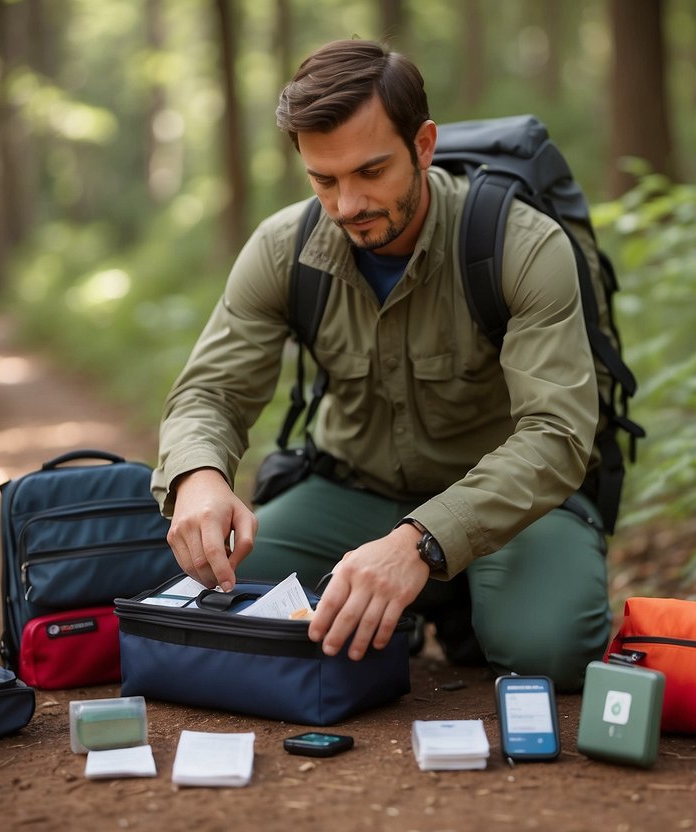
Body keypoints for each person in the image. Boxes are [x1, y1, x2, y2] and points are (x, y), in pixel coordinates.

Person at [151, 38, 609, 691]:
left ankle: (451, 592)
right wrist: (197, 475)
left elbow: (556, 437)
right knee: (197, 600)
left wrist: (420, 542)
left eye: (370, 172)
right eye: (323, 179)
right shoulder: (285, 248)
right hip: (352, 491)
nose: (346, 205)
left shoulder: (520, 245)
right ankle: (426, 598)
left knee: (551, 651)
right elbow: (210, 392)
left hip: (512, 504)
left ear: (423, 145)